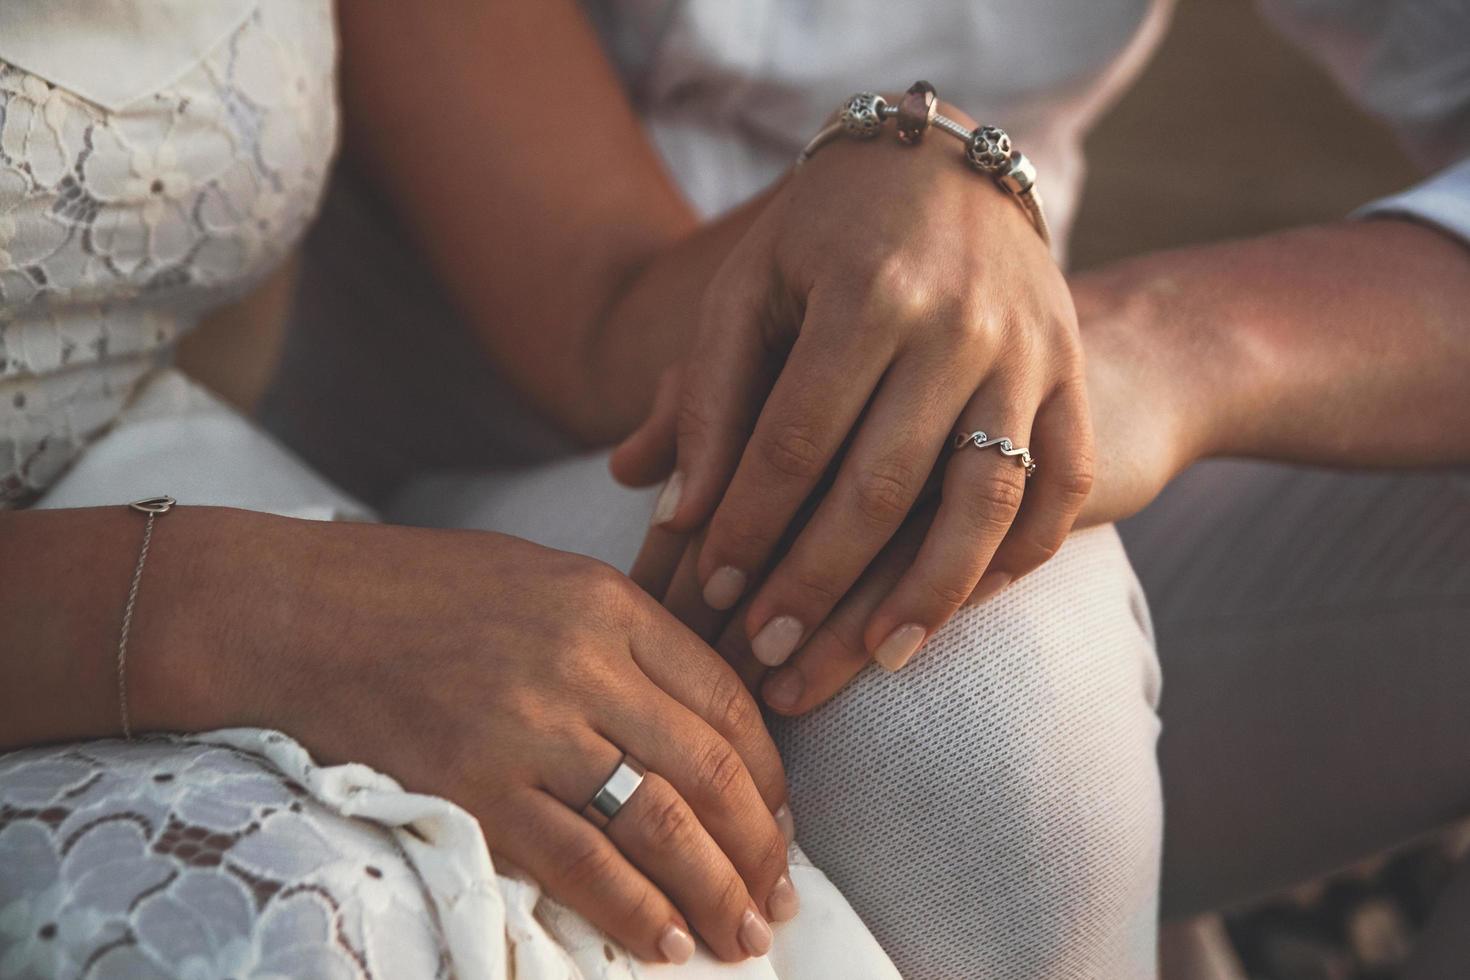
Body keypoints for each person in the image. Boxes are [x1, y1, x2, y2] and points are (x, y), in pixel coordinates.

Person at [2, 4, 1467, 980]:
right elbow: (596, 305)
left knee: (957, 545)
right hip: (456, 467)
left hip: (991, 375)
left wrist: (1170, 348)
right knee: (957, 627)